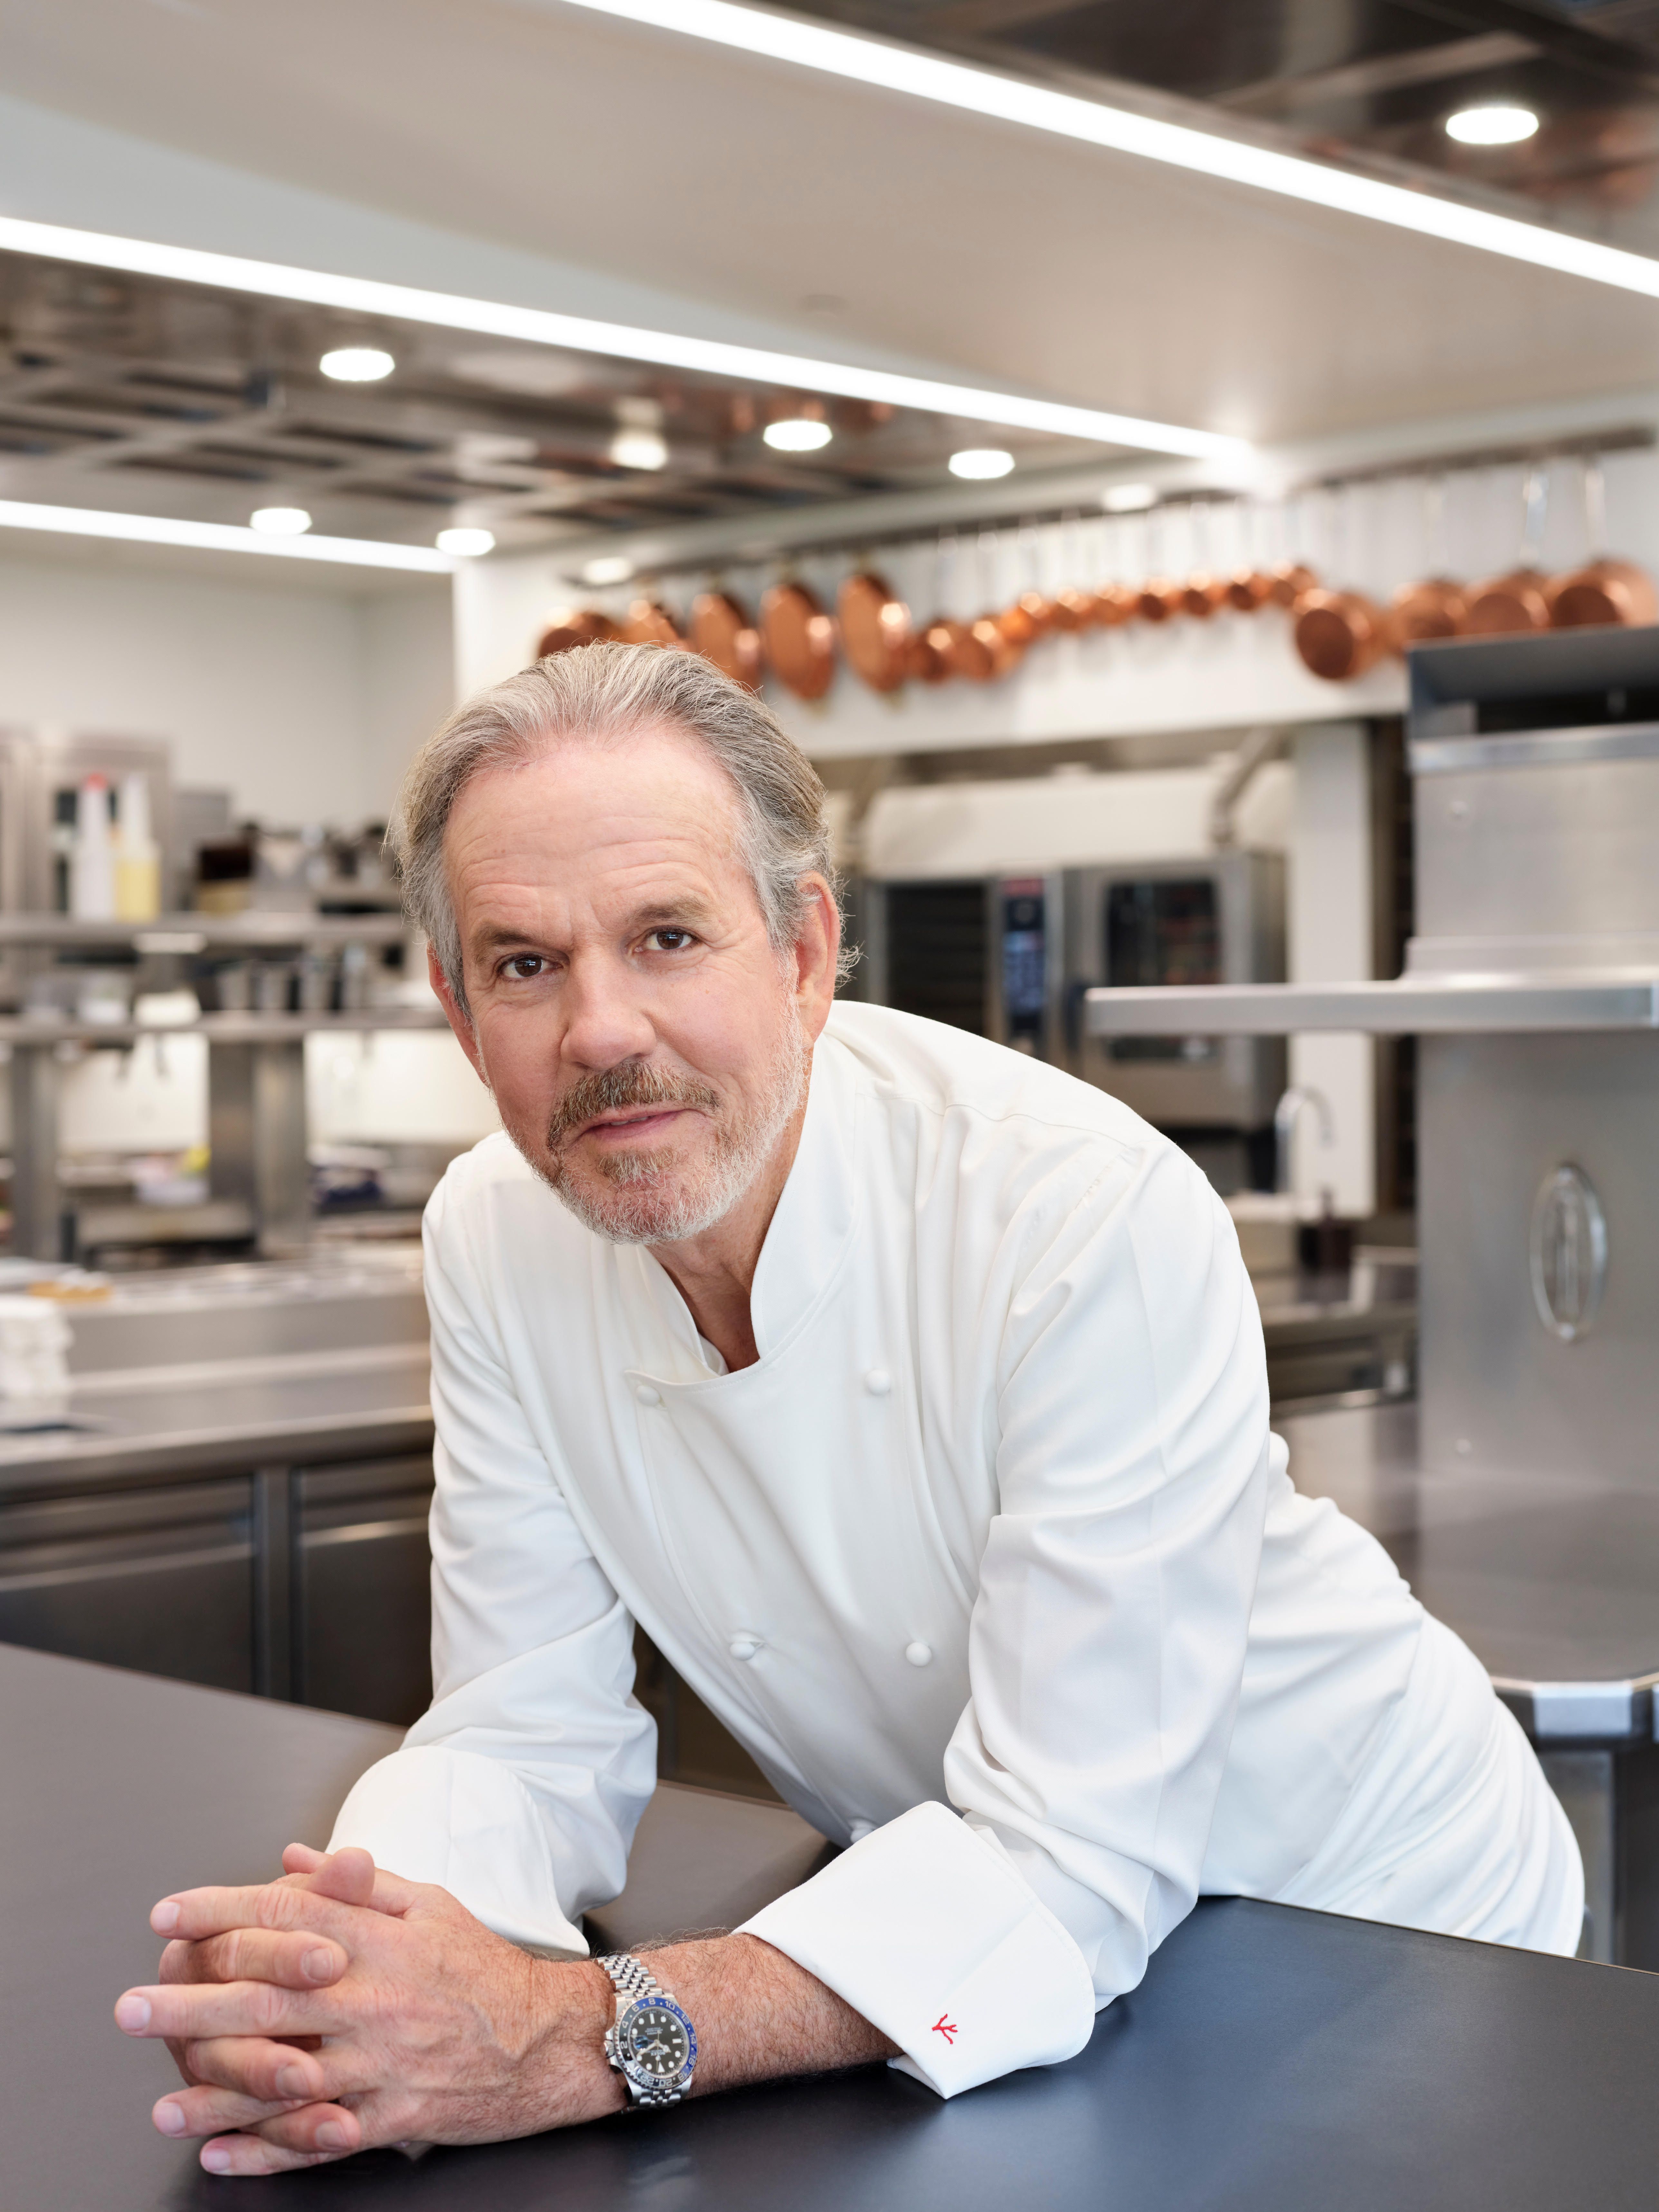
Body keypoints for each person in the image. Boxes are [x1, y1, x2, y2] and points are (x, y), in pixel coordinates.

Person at [114, 641, 1583, 2177]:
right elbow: (519, 1731)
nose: (602, 1031)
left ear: (806, 952)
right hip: (973, 1934)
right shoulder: (494, 1229)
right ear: (457, 1004)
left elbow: (1068, 1858)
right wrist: (347, 1970)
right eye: (526, 962)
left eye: (669, 934)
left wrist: (565, 2036)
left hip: (1372, 1926)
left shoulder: (1075, 1210)